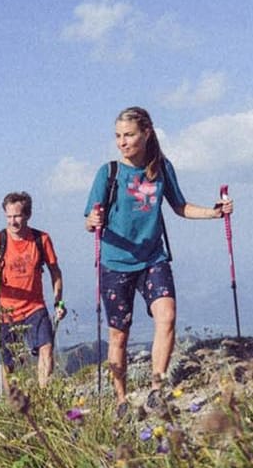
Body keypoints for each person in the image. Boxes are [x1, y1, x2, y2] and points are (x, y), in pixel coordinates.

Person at [84, 106, 231, 414]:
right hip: (116, 261)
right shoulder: (108, 173)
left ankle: (156, 389)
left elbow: (180, 206)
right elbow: (90, 219)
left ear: (146, 133)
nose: (122, 142)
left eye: (129, 135)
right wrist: (93, 220)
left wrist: (214, 212)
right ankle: (121, 399)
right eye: (118, 136)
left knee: (167, 316)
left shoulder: (161, 169)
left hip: (153, 257)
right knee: (118, 336)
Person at [0, 191, 65, 399]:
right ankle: (13, 404)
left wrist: (58, 301)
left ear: (27, 215)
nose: (13, 221)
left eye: (17, 216)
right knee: (9, 364)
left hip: (34, 307)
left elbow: (55, 271)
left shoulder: (40, 239)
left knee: (46, 347)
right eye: (8, 217)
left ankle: (45, 397)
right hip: (4, 311)